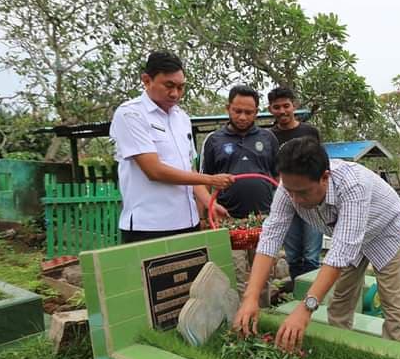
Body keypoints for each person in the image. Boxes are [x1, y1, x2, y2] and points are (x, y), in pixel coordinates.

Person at [233, 137, 400, 351]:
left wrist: (305, 309)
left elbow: (340, 253)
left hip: (385, 227)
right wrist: (250, 296)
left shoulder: (353, 186)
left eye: (304, 192)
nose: (295, 199)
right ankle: (340, 349)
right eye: (291, 191)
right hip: (347, 233)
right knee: (340, 300)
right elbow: (271, 237)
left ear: (324, 177)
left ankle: (395, 357)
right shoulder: (289, 187)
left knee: (392, 300)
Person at [109, 51, 233, 243]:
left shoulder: (182, 118)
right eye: (169, 86)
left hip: (187, 223)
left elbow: (188, 169)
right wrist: (211, 179)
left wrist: (208, 202)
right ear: (147, 80)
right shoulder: (130, 114)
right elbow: (154, 170)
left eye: (180, 87)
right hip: (150, 227)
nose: (175, 93)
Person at [200, 85, 279, 297]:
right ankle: (236, 322)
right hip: (228, 220)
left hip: (262, 219)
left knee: (262, 275)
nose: (243, 116)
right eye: (237, 111)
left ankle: (262, 321)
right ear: (228, 108)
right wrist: (204, 217)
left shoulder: (268, 138)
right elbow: (203, 181)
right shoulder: (213, 140)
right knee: (232, 274)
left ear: (257, 111)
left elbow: (278, 177)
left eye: (249, 112)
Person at [267, 86, 323, 282]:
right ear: (270, 109)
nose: (282, 111)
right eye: (276, 107)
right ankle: (298, 295)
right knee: (292, 254)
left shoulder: (309, 131)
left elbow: (321, 163)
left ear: (294, 106)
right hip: (286, 199)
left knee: (311, 254)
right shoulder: (268, 136)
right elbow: (269, 170)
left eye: (286, 106)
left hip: (312, 200)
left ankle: (312, 296)